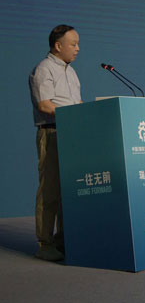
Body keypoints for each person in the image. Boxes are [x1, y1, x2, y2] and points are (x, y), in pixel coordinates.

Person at [28, 25, 82, 261]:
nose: (77, 49)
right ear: (58, 46)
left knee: (67, 191)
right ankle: (45, 244)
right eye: (73, 44)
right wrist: (72, 113)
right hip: (51, 133)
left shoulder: (72, 72)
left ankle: (62, 240)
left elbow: (76, 103)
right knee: (49, 191)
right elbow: (45, 105)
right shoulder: (44, 69)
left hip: (71, 134)